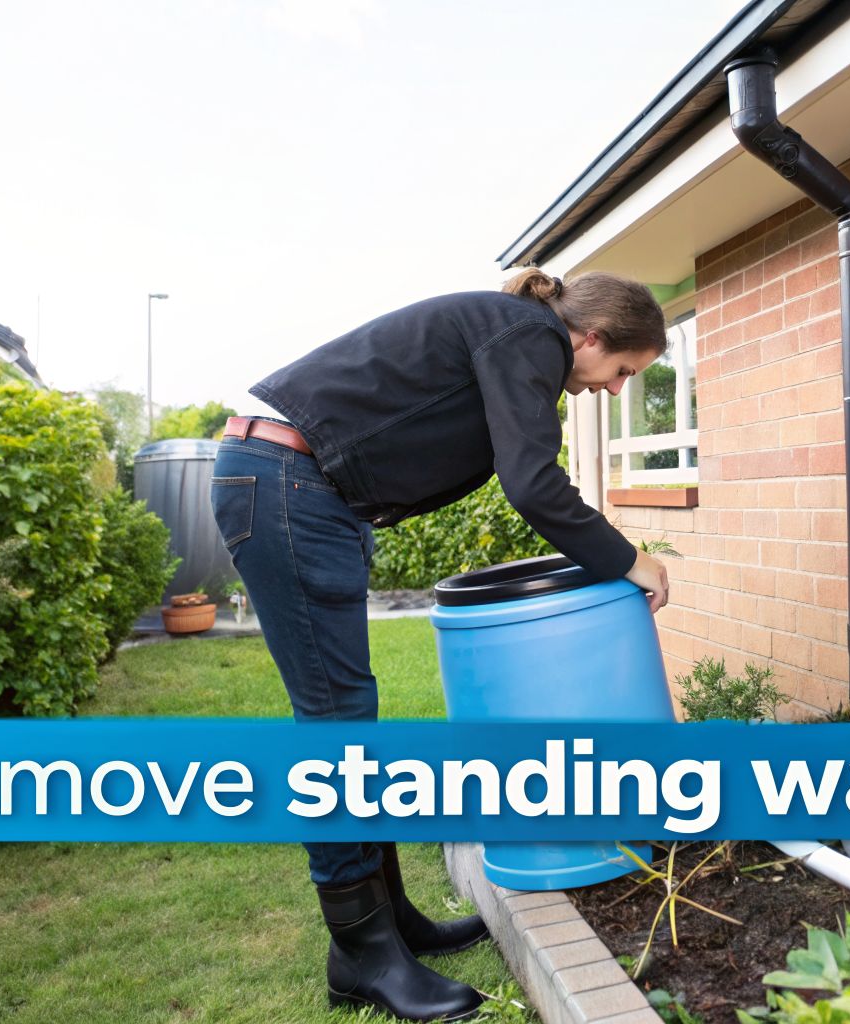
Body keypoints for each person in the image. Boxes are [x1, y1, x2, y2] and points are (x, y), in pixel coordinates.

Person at [209, 269, 673, 1022]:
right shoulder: (527, 335)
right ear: (589, 337)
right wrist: (630, 559)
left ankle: (392, 926)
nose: (617, 390)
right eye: (623, 371)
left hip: (302, 486)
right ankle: (361, 956)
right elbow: (532, 483)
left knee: (350, 718)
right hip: (286, 481)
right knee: (334, 730)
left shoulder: (513, 336)